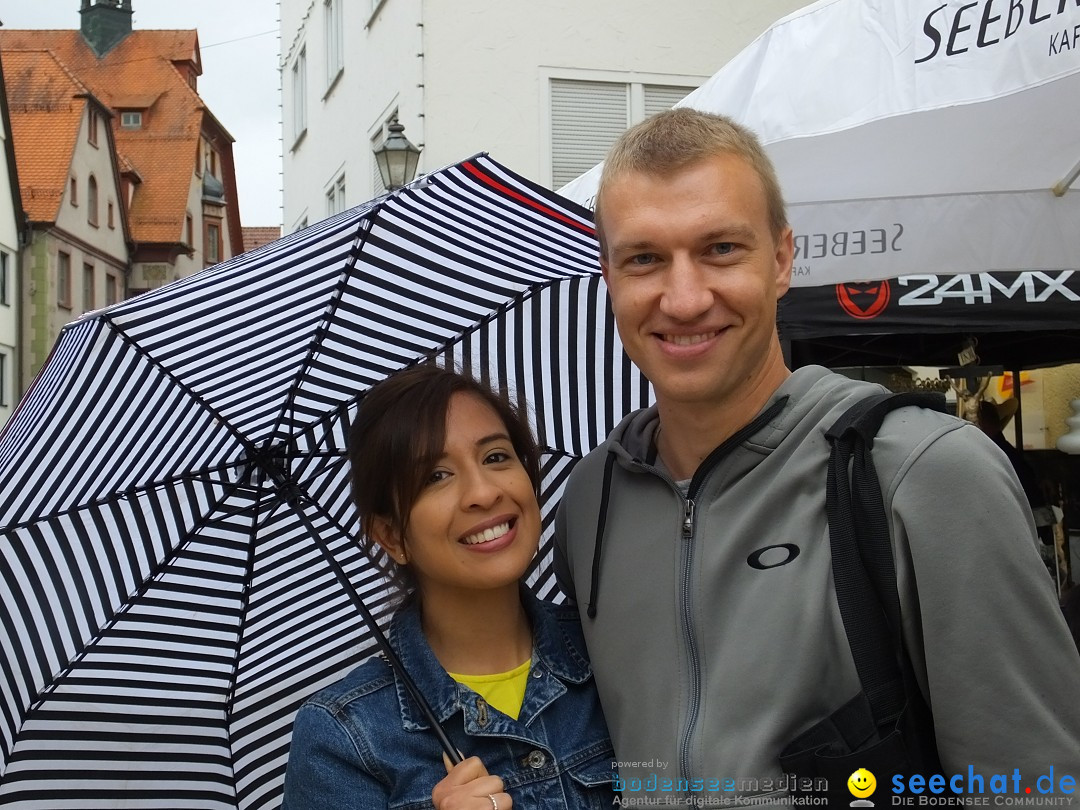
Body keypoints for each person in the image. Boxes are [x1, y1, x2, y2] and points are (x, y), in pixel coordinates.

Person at [554, 108, 1080, 806]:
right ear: (610, 277)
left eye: (719, 250)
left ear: (780, 260)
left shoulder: (923, 473)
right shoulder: (591, 499)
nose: (683, 299)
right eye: (645, 258)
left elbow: (1035, 784)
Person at [283, 364, 615, 809]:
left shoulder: (613, 653)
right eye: (435, 477)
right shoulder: (344, 737)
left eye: (496, 456)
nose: (482, 492)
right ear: (391, 536)